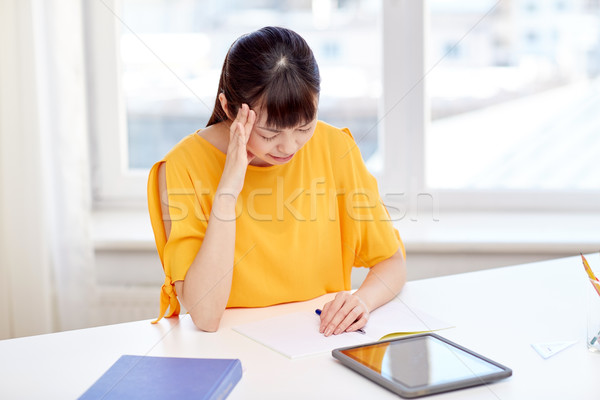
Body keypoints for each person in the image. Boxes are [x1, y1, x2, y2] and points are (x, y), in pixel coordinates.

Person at [147, 26, 406, 336]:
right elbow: (205, 315)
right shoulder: (183, 166)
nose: (289, 147)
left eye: (303, 128)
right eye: (269, 134)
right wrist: (228, 190)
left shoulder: (335, 148)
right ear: (230, 108)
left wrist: (361, 301)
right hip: (232, 349)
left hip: (318, 342)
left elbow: (392, 261)